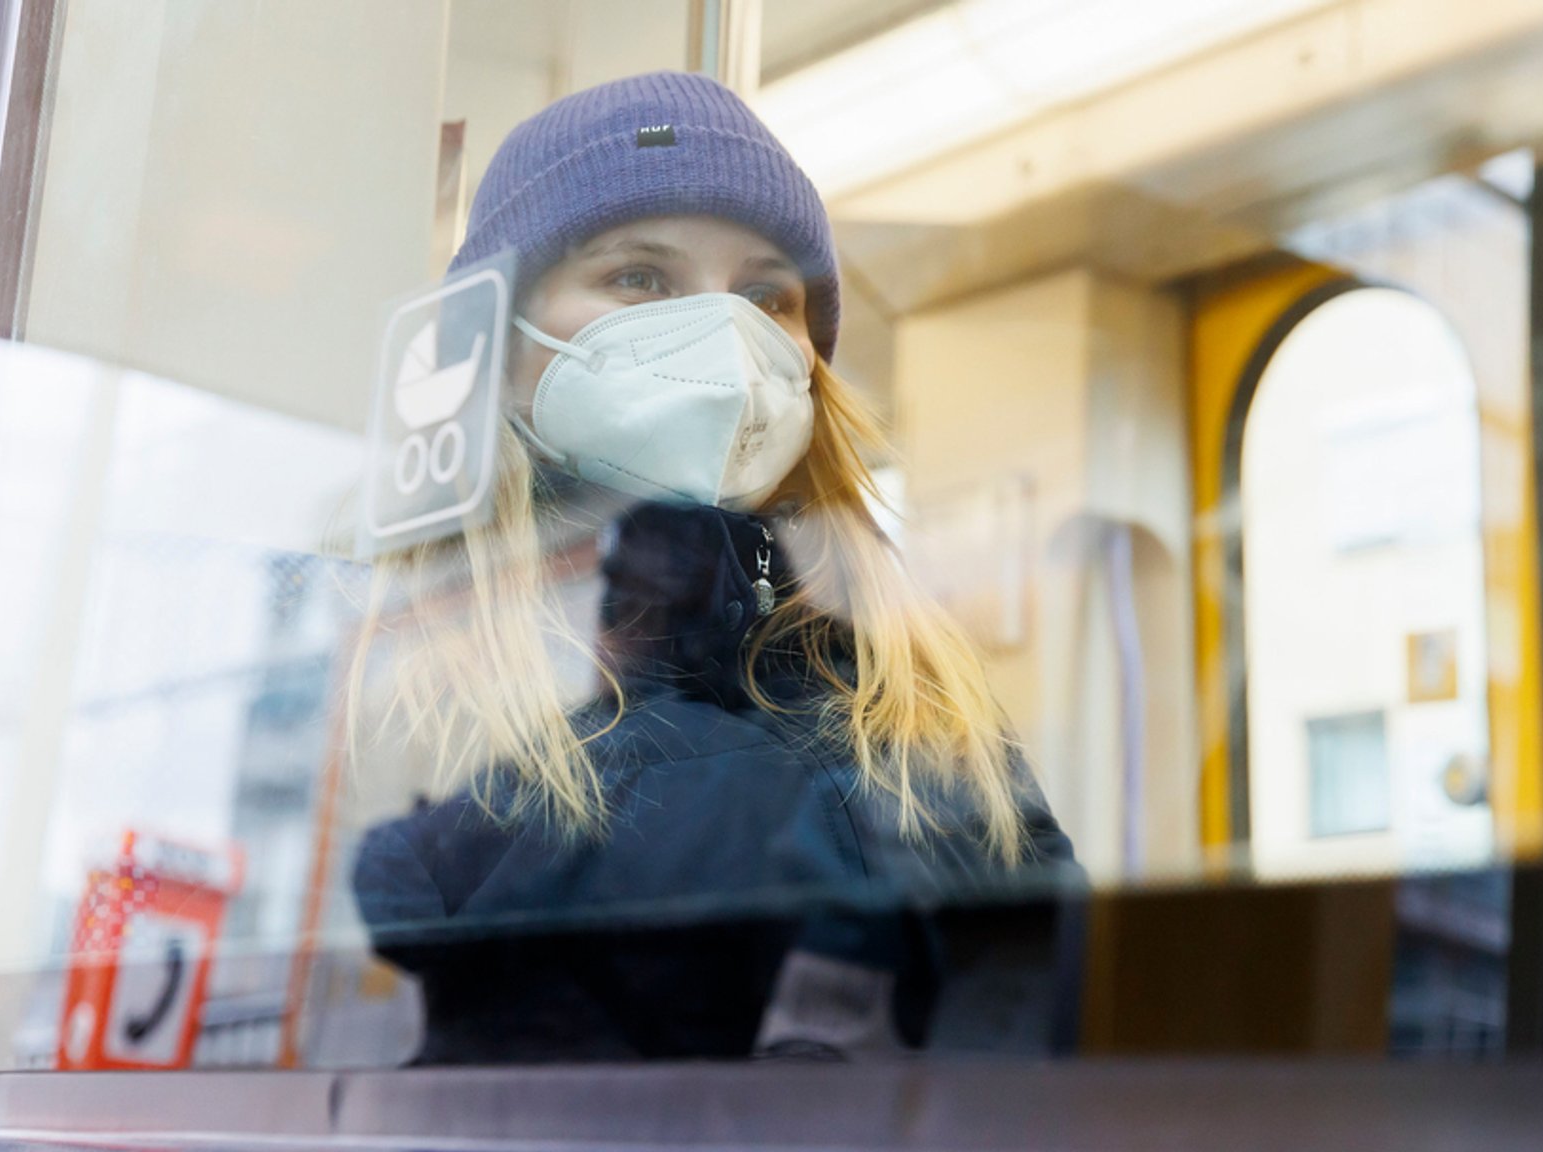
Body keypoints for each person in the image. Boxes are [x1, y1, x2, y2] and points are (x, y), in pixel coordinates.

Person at [349, 71, 1075, 1064]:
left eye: (763, 296)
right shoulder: (400, 685)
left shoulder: (913, 691)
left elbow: (1056, 1019)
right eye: (638, 278)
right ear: (498, 345)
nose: (722, 341)